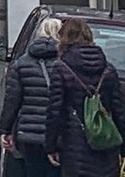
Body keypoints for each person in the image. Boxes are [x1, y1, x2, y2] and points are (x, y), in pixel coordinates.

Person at [45, 16, 125, 175]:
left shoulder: (61, 69)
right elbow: (119, 111)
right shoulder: (108, 70)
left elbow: (55, 112)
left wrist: (51, 146)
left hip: (75, 146)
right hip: (106, 145)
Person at [0, 17, 61, 176]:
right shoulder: (65, 64)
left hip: (28, 134)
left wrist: (5, 130)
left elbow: (12, 101)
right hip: (57, 134)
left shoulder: (22, 63)